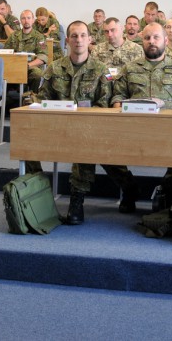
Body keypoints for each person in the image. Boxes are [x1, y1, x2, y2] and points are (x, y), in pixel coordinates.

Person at [34, 21, 138, 222]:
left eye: (83, 36)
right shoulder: (54, 69)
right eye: (74, 36)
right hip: (60, 127)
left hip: (92, 127)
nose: (79, 40)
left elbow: (104, 103)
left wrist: (84, 122)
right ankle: (35, 193)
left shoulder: (101, 70)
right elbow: (42, 99)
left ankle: (78, 198)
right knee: (26, 145)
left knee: (86, 145)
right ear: (67, 40)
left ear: (90, 39)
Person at [111, 23, 172, 206]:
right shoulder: (129, 68)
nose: (151, 41)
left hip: (170, 128)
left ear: (165, 40)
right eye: (147, 38)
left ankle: (164, 191)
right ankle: (129, 188)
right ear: (142, 41)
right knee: (103, 150)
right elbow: (118, 95)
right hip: (133, 127)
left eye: (156, 37)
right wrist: (119, 112)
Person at [4, 9, 48, 91]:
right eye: (23, 18)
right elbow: (5, 53)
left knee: (37, 75)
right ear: (20, 21)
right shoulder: (13, 36)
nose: (26, 21)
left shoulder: (40, 37)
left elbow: (43, 57)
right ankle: (6, 97)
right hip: (14, 66)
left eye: (28, 18)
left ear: (33, 20)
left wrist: (27, 65)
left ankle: (31, 95)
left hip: (31, 67)